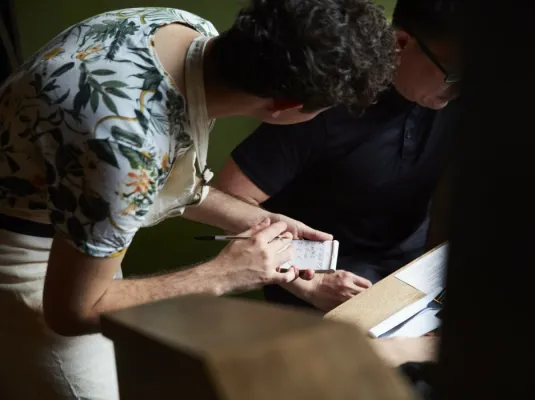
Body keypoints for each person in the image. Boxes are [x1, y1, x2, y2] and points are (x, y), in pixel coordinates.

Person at [0, 2, 396, 398]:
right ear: (283, 107)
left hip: (71, 215)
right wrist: (225, 274)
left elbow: (160, 173)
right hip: (25, 252)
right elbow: (73, 311)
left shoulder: (182, 29)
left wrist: (259, 221)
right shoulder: (124, 147)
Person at [214, 0, 461, 312]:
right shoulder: (327, 99)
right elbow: (226, 197)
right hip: (328, 274)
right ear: (401, 43)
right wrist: (306, 283)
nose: (460, 89)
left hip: (414, 266)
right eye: (453, 75)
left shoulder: (453, 99)